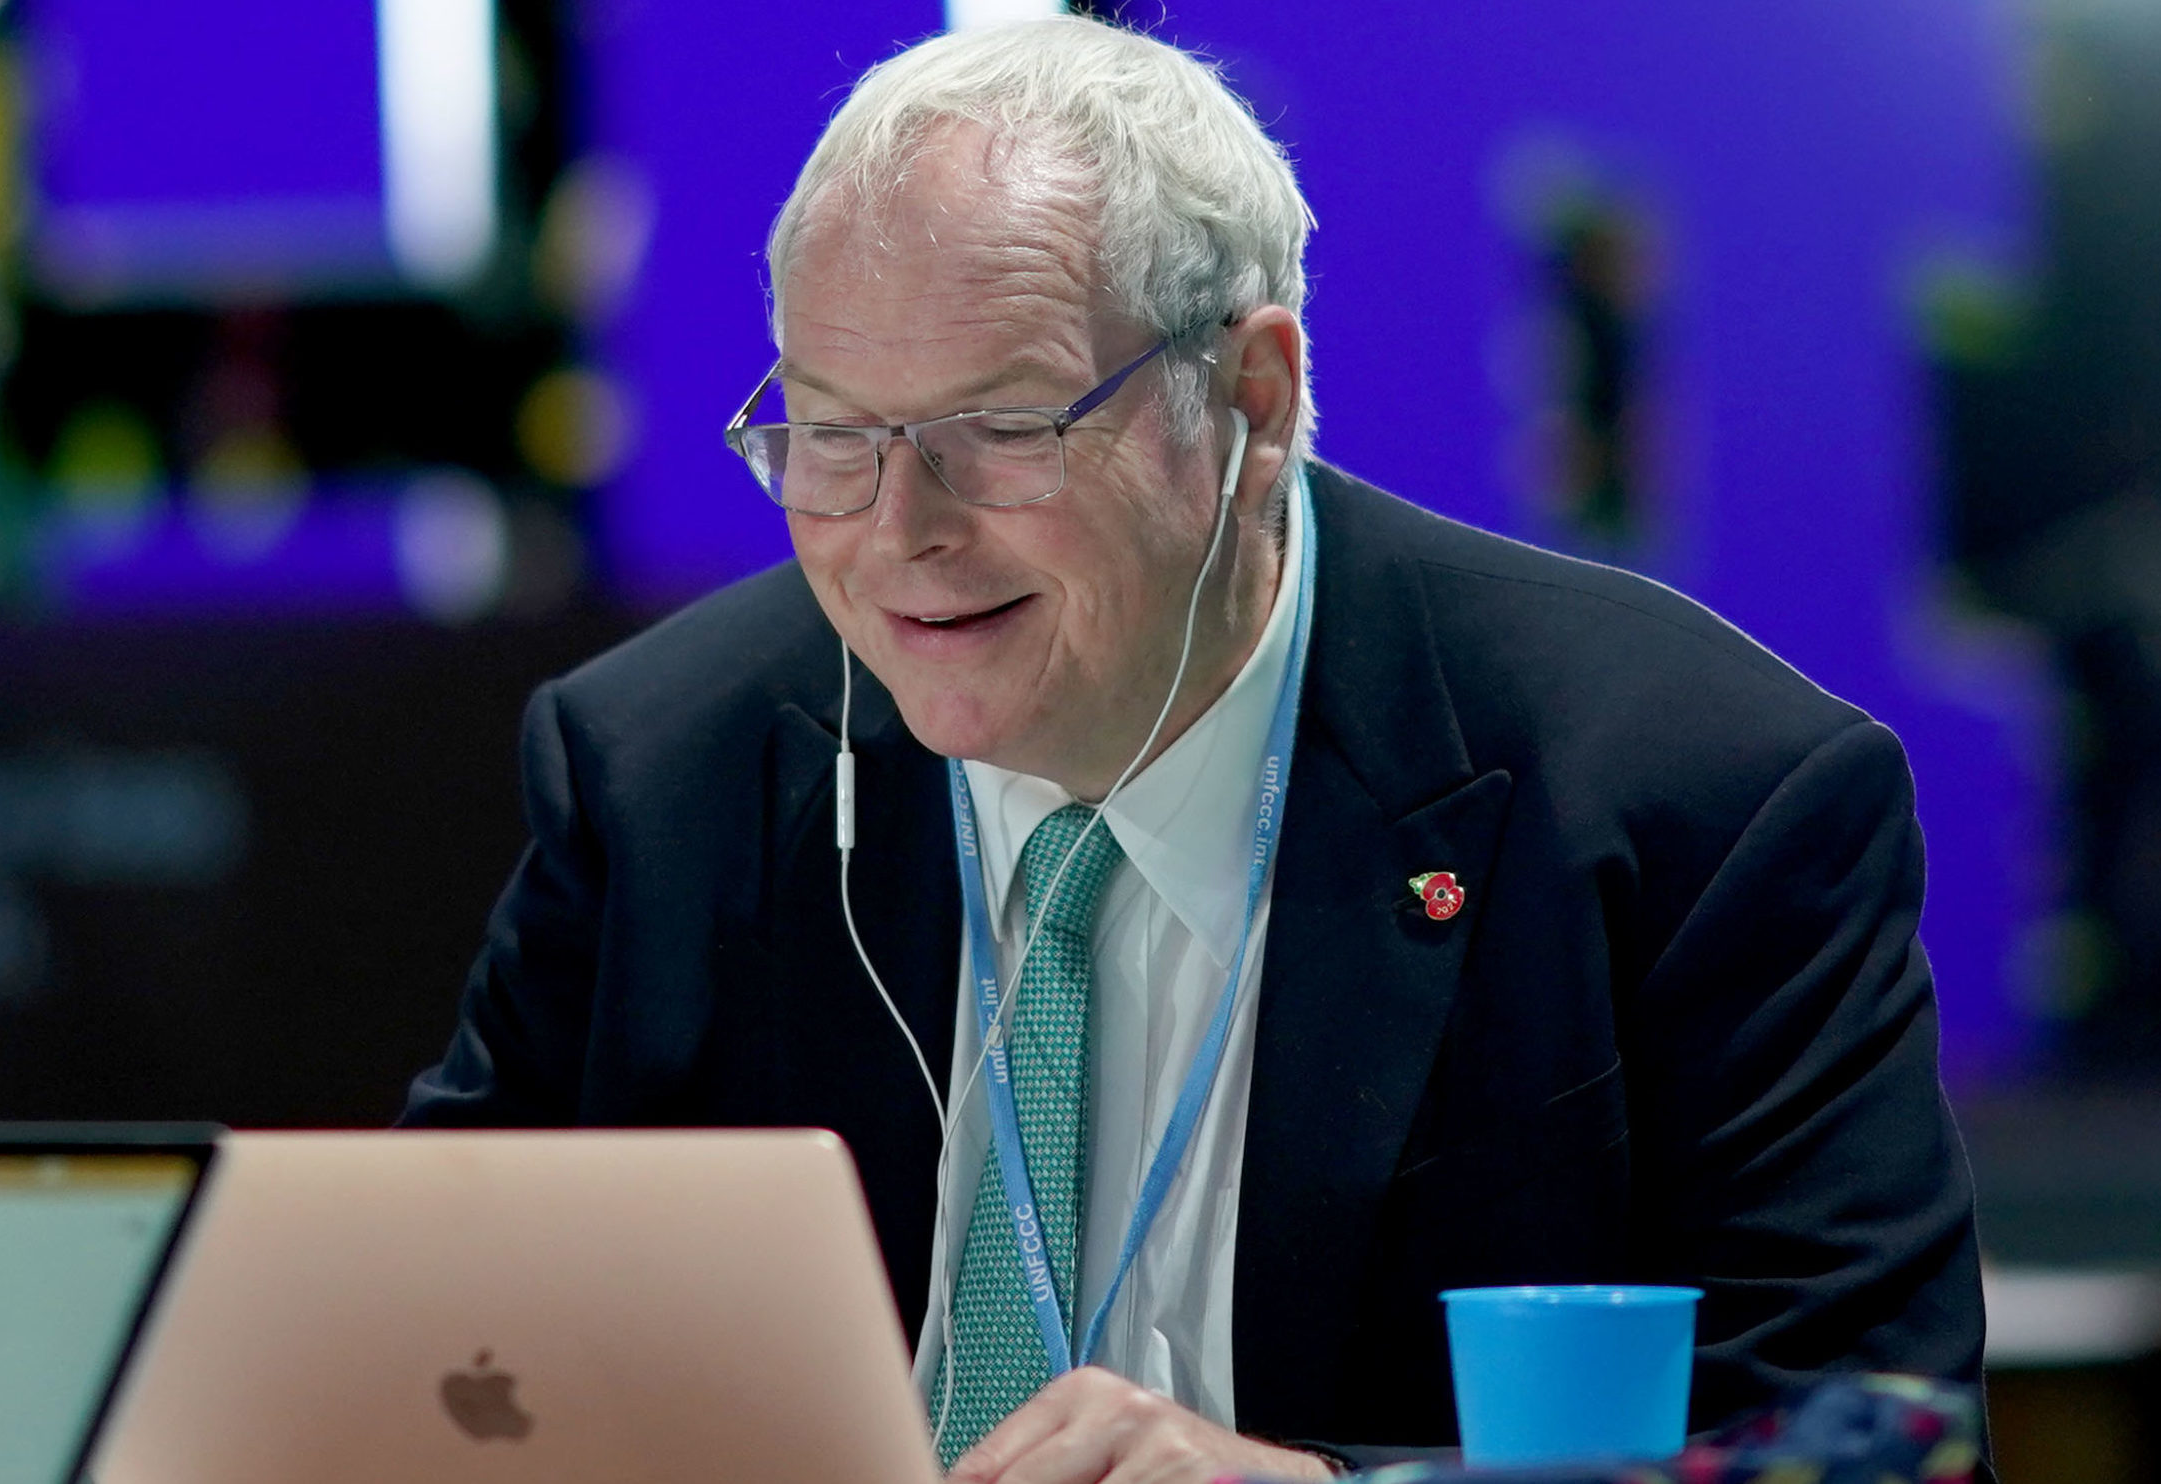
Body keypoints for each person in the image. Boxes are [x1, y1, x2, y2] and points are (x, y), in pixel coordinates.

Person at [403, 15, 1984, 1481]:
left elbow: (1871, 1449)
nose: (901, 537)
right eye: (830, 434)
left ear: (1255, 395)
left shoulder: (1699, 797)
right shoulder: (660, 772)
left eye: (1004, 430)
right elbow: (402, 1341)